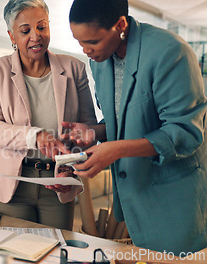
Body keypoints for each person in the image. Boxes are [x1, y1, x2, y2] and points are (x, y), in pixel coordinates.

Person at [67, 0, 207, 254]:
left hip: (174, 198)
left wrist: (117, 150)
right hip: (132, 198)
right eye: (79, 42)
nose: (85, 50)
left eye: (92, 42)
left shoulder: (170, 52)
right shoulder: (99, 60)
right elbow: (121, 121)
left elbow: (185, 132)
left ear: (120, 25)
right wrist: (95, 132)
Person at [0, 0, 97, 229]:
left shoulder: (74, 69)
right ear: (12, 36)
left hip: (57, 185)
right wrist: (36, 136)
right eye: (25, 31)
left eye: (42, 27)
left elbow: (86, 129)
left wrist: (69, 168)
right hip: (10, 186)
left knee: (57, 252)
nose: (36, 36)